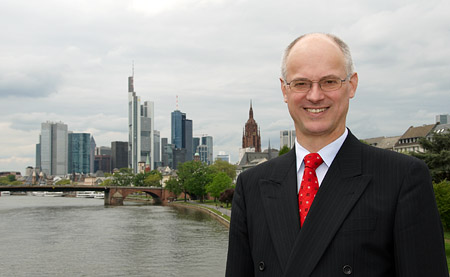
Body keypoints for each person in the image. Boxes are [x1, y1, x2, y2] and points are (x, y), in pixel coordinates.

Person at [225, 33, 448, 276]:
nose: (315, 95)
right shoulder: (252, 185)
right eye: (301, 83)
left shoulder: (403, 178)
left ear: (351, 85)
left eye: (329, 82)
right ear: (285, 90)